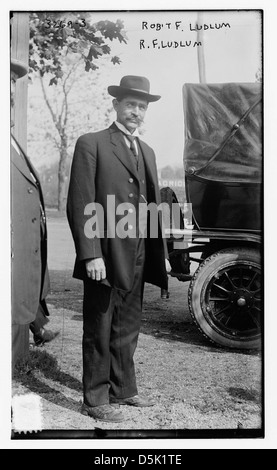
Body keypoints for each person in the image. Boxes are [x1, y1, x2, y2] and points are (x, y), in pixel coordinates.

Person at [67, 75, 171, 423]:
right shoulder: (92, 143)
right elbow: (81, 201)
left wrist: (162, 256)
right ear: (116, 105)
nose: (136, 112)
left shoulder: (148, 152)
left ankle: (123, 389)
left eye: (142, 107)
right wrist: (90, 253)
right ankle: (95, 398)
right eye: (130, 105)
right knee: (100, 322)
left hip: (139, 251)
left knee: (128, 323)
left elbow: (154, 205)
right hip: (106, 252)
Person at [11, 58, 58, 372]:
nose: (11, 92)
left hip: (23, 252)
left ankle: (19, 360)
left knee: (20, 306)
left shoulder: (11, 138)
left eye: (12, 85)